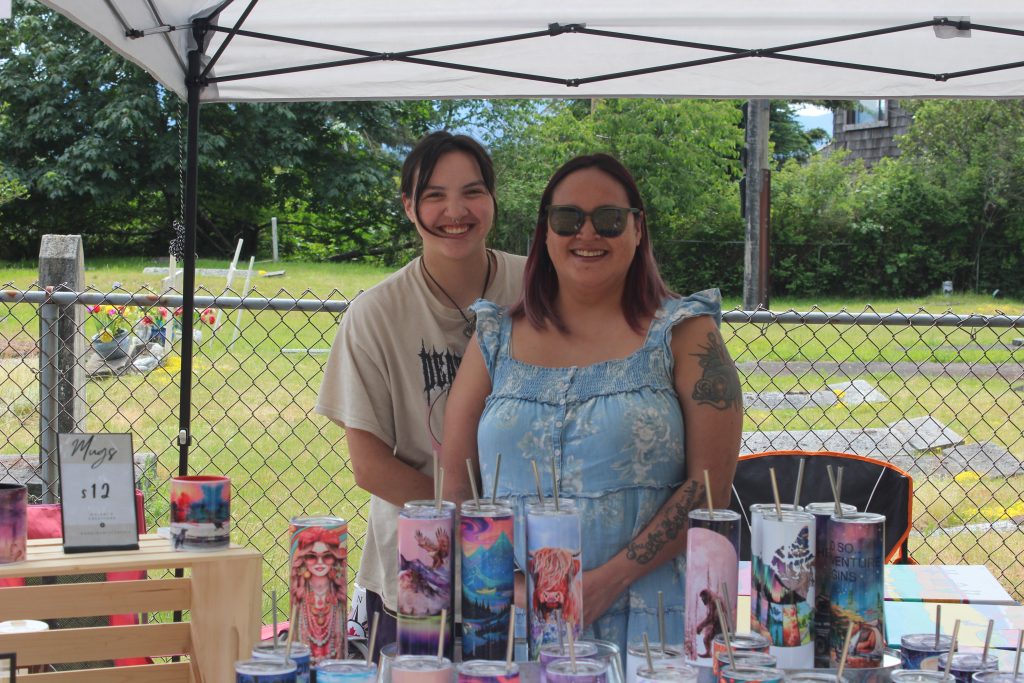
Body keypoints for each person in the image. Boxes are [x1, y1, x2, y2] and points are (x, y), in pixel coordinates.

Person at [442, 153, 742, 655]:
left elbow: (710, 488)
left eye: (608, 219)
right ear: (544, 232)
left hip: (653, 617)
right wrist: (504, 588)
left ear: (638, 229)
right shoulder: (493, 338)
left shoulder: (687, 334)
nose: (587, 234)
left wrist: (607, 581)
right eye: (567, 219)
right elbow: (456, 486)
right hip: (518, 620)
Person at [316, 132, 526, 660]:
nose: (455, 211)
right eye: (434, 195)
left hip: (530, 559)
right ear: (409, 207)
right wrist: (480, 537)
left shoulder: (538, 285)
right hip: (419, 568)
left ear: (494, 201)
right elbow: (369, 467)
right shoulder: (375, 313)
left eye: (472, 192)